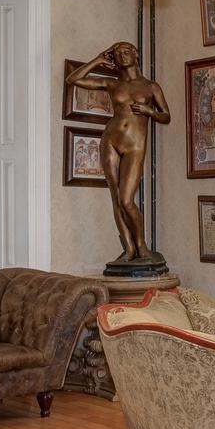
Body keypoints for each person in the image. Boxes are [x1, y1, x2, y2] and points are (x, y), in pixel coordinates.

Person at [63, 42, 171, 270]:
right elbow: (73, 80)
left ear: (136, 55)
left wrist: (149, 111)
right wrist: (97, 60)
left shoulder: (151, 87)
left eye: (126, 51)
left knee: (126, 199)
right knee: (115, 198)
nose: (122, 55)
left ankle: (142, 247)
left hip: (134, 145)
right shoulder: (113, 84)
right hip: (111, 140)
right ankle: (129, 248)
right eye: (117, 52)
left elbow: (166, 116)